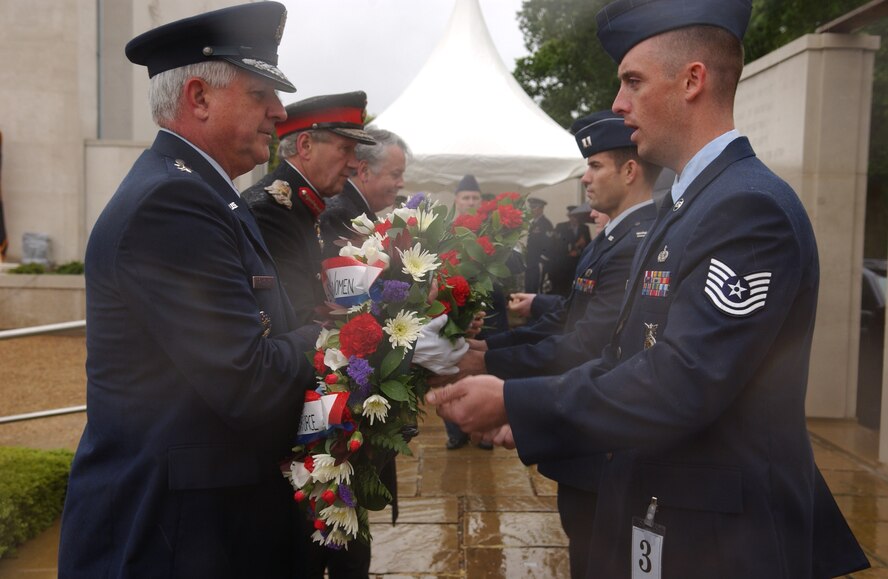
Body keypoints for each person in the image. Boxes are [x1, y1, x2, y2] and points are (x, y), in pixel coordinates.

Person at [427, 0, 869, 577]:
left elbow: (683, 379)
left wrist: (519, 400)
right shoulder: (689, 203)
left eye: (632, 81)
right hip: (670, 509)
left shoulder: (746, 208)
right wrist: (534, 411)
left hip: (719, 541)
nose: (618, 104)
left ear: (693, 80)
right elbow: (624, 354)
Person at [57, 4, 320, 577]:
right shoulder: (172, 203)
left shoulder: (201, 189)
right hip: (173, 533)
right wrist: (334, 338)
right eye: (260, 95)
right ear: (198, 98)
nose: (280, 112)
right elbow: (244, 380)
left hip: (203, 517)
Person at [453, 111, 659, 577]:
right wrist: (490, 352)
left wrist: (497, 373)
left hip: (601, 440)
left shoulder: (635, 242)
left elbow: (586, 343)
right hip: (583, 435)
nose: (585, 177)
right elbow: (567, 317)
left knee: (598, 556)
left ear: (630, 171)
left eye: (597, 166)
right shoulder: (615, 237)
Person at [241, 91, 376, 325]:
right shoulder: (271, 212)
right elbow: (298, 319)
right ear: (305, 146)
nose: (354, 163)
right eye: (345, 149)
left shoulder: (302, 205)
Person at [319, 128, 409, 257]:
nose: (401, 183)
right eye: (395, 174)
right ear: (365, 171)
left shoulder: (352, 210)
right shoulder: (339, 216)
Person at [549, 205, 592, 296]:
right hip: (563, 263)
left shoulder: (584, 228)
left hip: (578, 262)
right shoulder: (561, 227)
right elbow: (556, 245)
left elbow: (589, 245)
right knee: (562, 286)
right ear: (569, 216)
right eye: (572, 216)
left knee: (576, 285)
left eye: (576, 217)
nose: (574, 219)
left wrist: (579, 250)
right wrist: (575, 246)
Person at [523, 197, 553, 293]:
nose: (531, 209)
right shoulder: (533, 223)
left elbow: (549, 243)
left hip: (539, 261)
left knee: (537, 287)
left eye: (534, 207)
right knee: (529, 285)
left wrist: (542, 259)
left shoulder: (546, 223)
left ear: (541, 208)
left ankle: (536, 307)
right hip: (530, 260)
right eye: (531, 207)